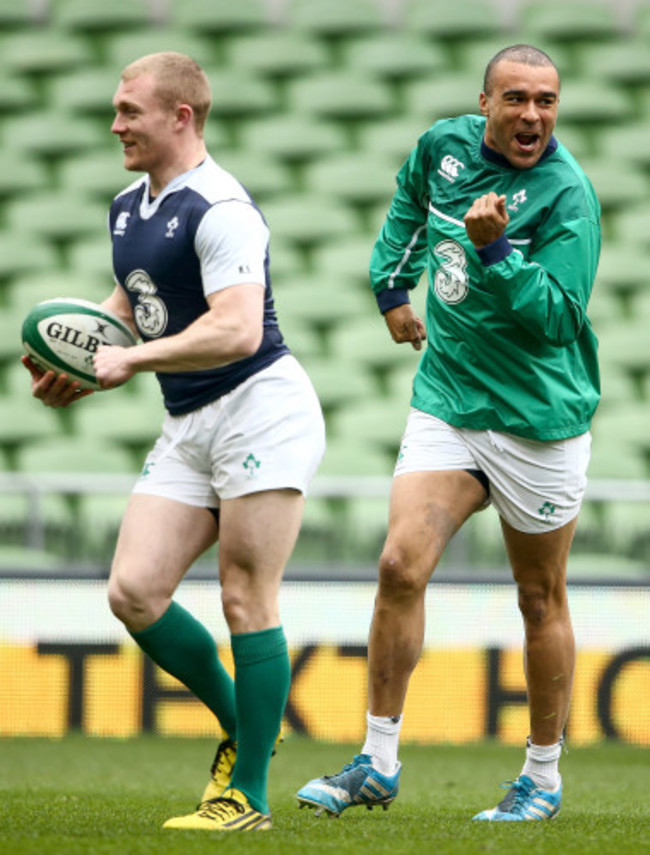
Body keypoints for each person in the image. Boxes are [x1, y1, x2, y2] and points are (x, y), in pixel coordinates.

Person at [297, 44, 600, 822]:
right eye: (517, 99)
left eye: (547, 101)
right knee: (399, 563)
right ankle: (378, 758)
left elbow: (559, 322)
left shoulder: (568, 196)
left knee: (539, 597)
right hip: (449, 399)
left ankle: (541, 775)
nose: (533, 114)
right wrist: (391, 285)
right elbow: (408, 201)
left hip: (538, 420)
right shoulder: (445, 147)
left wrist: (496, 250)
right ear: (486, 101)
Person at [24, 51, 325, 832]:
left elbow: (236, 326)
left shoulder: (222, 206)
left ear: (181, 117)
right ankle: (248, 724)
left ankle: (246, 796)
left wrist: (130, 359)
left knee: (244, 598)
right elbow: (132, 299)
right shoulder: (129, 204)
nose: (116, 123)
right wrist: (81, 355)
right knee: (133, 590)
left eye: (130, 110)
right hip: (190, 419)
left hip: (261, 408)